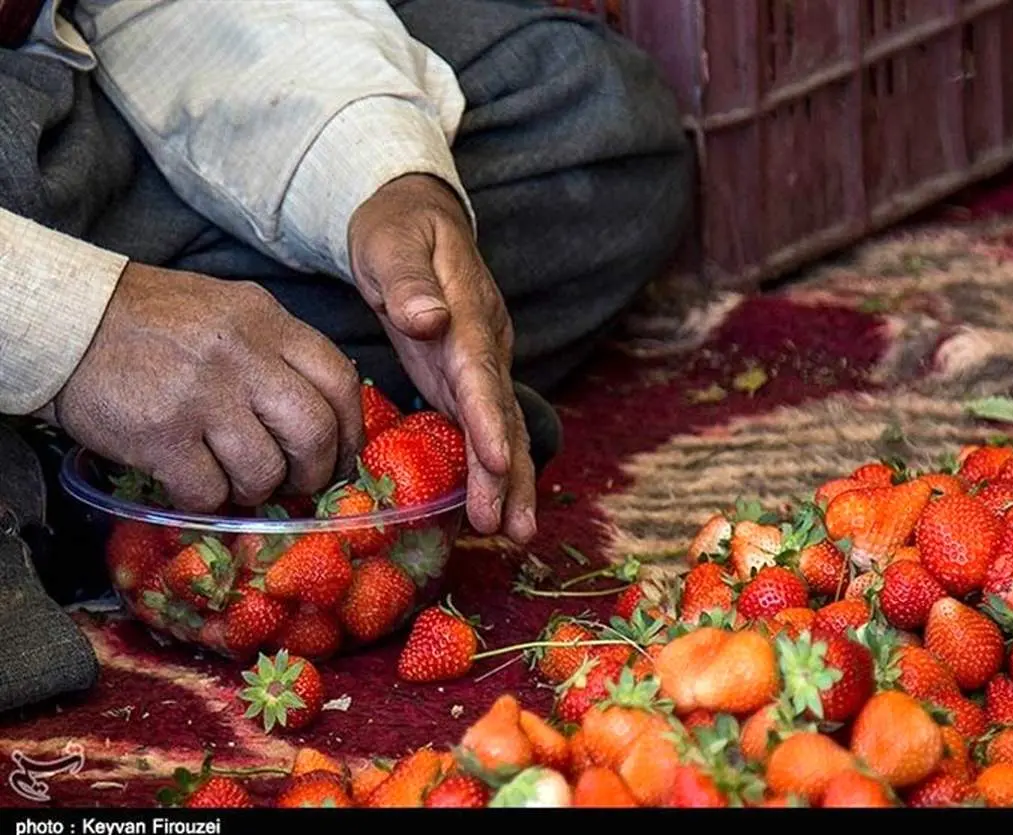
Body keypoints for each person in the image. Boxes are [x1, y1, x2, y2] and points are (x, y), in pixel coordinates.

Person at [0, 0, 692, 712]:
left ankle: (103, 466)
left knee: (593, 117)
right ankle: (81, 463)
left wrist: (385, 185)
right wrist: (79, 320)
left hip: (60, 92)